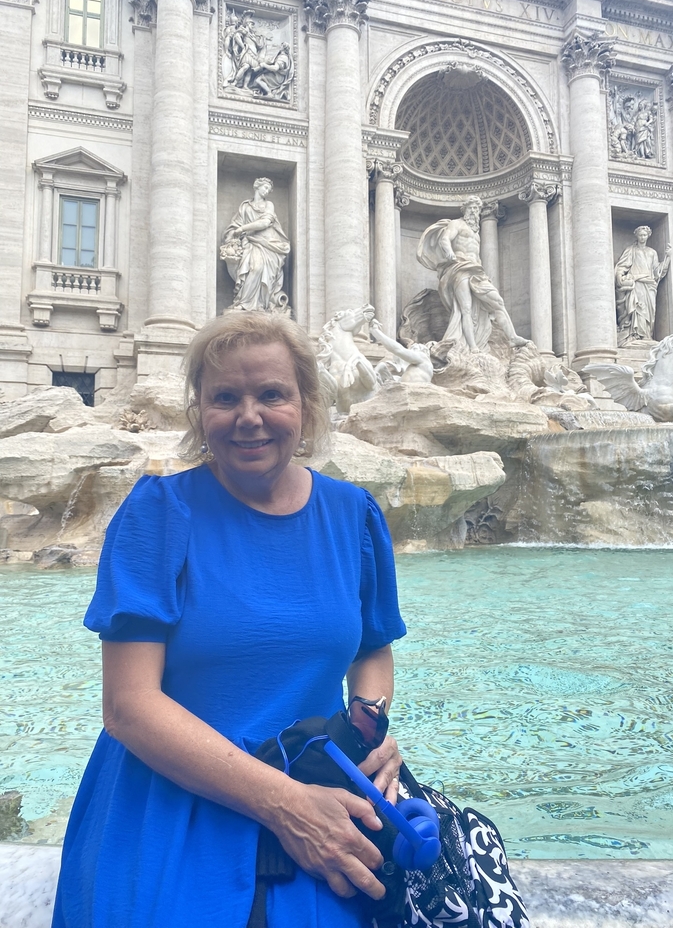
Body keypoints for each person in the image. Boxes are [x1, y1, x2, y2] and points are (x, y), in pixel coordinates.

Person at [51, 311, 407, 928]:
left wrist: (369, 725)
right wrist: (286, 805)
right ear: (199, 410)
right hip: (173, 808)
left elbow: (372, 647)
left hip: (321, 793)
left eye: (272, 394)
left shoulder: (353, 515)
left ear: (307, 404)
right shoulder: (158, 515)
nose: (249, 417)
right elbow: (128, 706)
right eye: (225, 398)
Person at [416, 195, 529, 352]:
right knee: (466, 309)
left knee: (498, 302)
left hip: (477, 272)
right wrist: (450, 254)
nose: (474, 211)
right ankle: (472, 346)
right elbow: (444, 239)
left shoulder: (476, 232)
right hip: (459, 268)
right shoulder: (457, 224)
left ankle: (512, 337)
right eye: (471, 208)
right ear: (465, 209)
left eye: (477, 208)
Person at [220, 178, 291, 312]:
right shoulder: (245, 206)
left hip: (269, 244)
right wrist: (232, 235)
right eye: (265, 188)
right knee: (253, 268)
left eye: (268, 190)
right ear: (257, 187)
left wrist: (242, 229)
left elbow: (265, 223)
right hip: (250, 242)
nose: (266, 191)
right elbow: (235, 225)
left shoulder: (269, 205)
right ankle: (245, 302)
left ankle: (260, 304)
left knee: (259, 268)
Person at [615, 225, 671, 346]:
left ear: (648, 236)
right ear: (636, 235)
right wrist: (620, 276)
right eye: (640, 235)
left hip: (650, 285)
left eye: (644, 235)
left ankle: (646, 335)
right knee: (638, 309)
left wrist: (667, 258)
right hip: (637, 284)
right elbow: (622, 266)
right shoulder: (631, 250)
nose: (642, 237)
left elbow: (657, 271)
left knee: (649, 312)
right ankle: (636, 335)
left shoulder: (652, 252)